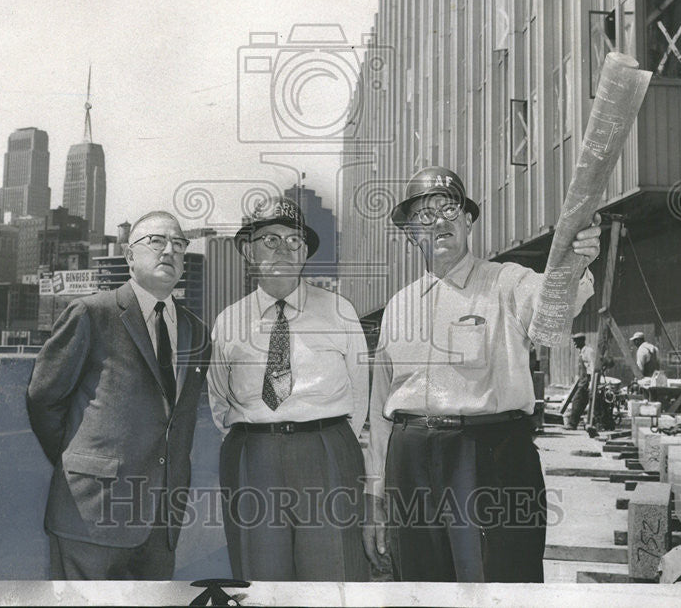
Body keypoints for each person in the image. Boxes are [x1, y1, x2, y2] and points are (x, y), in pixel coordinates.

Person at [362, 166, 601, 582]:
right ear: (411, 233)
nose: (438, 220)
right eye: (424, 214)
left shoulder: (506, 283)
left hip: (489, 456)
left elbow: (551, 306)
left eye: (449, 208)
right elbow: (380, 414)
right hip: (410, 461)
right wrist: (376, 497)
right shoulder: (397, 306)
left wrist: (574, 263)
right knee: (420, 587)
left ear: (468, 221)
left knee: (497, 584)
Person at [26, 211, 210, 579]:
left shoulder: (196, 331)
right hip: (91, 516)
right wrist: (83, 466)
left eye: (178, 244)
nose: (169, 252)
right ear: (129, 256)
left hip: (161, 522)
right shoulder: (93, 313)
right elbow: (43, 398)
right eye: (156, 241)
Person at [208, 196, 370, 581]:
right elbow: (219, 398)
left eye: (294, 240)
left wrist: (323, 438)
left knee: (333, 578)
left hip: (326, 449)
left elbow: (360, 392)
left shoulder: (339, 310)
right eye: (270, 239)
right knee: (258, 580)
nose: (283, 249)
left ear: (305, 253)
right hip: (253, 456)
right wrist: (257, 439)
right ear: (248, 251)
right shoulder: (228, 320)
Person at [565, 333, 596, 431]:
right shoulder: (582, 352)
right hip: (582, 381)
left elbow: (592, 367)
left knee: (577, 401)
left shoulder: (588, 351)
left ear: (582, 341)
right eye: (573, 340)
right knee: (581, 402)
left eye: (576, 341)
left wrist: (591, 383)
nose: (574, 343)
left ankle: (572, 424)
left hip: (587, 381)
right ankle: (574, 424)